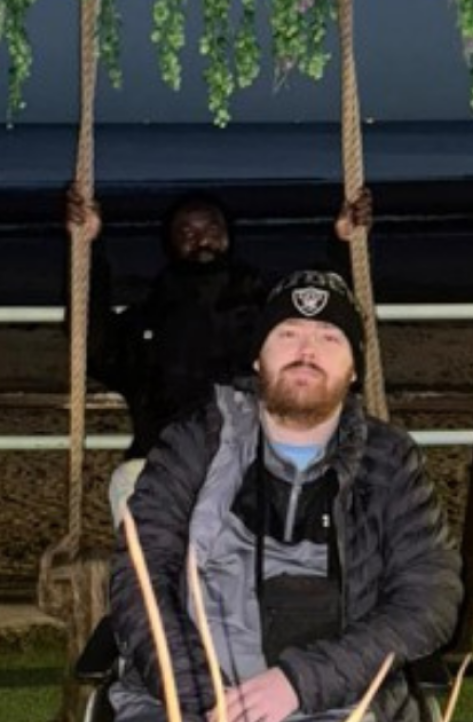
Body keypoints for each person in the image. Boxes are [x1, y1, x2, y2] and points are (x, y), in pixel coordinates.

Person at [106, 269, 463, 722]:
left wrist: (297, 684)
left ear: (355, 367)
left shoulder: (390, 461)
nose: (307, 349)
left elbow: (430, 598)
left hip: (337, 700)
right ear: (258, 357)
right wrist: (210, 705)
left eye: (329, 336)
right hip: (184, 697)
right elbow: (139, 579)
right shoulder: (196, 441)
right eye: (288, 333)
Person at [66, 189, 372, 525]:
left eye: (212, 230)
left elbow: (332, 324)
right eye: (188, 233)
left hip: (258, 465)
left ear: (228, 236)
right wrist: (88, 247)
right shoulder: (149, 324)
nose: (202, 240)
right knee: (129, 482)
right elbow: (90, 341)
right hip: (166, 466)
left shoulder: (267, 317)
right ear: (169, 243)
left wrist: (344, 244)